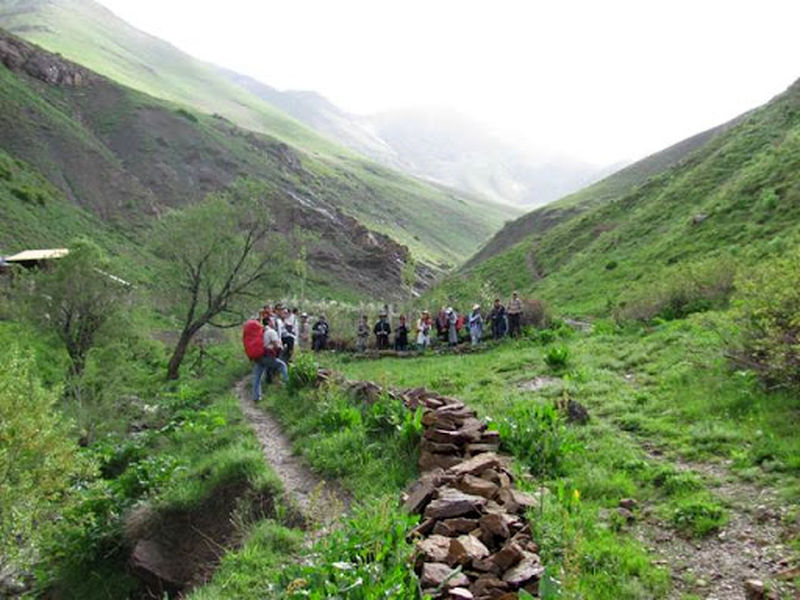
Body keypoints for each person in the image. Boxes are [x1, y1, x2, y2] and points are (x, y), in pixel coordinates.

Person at [252, 319, 288, 402]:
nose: (273, 322)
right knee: (282, 365)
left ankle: (256, 396)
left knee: (257, 376)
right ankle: (288, 383)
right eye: (272, 321)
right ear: (269, 322)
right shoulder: (271, 332)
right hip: (267, 356)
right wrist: (283, 347)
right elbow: (276, 345)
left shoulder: (261, 332)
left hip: (259, 356)